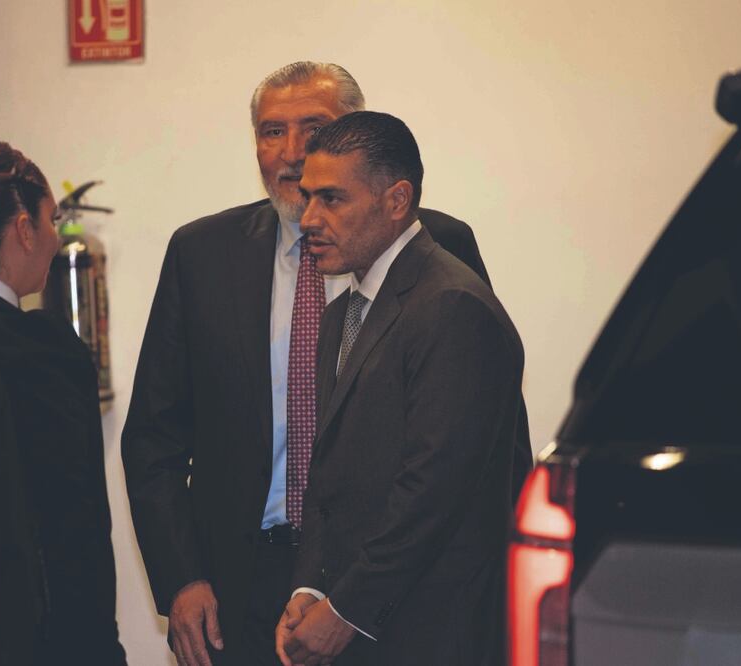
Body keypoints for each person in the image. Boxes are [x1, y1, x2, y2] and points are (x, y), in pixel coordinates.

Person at [122, 62, 527, 666]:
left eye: (314, 129)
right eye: (270, 131)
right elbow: (153, 436)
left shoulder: (434, 251)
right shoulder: (200, 254)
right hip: (245, 582)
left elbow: (464, 447)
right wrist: (181, 577)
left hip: (391, 585)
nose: (291, 154)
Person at [274, 112, 524, 666]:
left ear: (396, 199)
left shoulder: (452, 305)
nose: (308, 218)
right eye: (307, 197)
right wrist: (309, 589)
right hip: (364, 623)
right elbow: (330, 473)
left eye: (332, 199)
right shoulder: (344, 311)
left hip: (432, 634)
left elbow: (433, 490)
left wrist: (346, 610)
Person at [0, 139, 126, 665]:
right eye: (50, 222)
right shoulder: (42, 353)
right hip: (38, 634)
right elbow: (74, 525)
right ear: (23, 229)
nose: (51, 238)